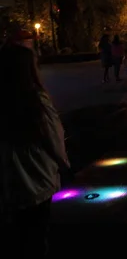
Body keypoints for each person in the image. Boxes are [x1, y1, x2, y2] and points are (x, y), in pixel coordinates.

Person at [0, 41, 70, 257]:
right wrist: (66, 166)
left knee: (17, 237)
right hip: (37, 181)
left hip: (10, 185)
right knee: (38, 236)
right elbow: (53, 139)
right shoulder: (35, 100)